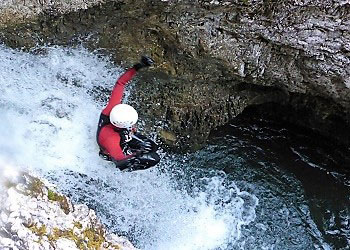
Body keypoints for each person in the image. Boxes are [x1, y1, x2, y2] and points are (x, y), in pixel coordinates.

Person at [96, 56, 160, 171]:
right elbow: (121, 162)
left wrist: (138, 66)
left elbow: (121, 83)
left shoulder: (113, 108)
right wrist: (138, 154)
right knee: (154, 158)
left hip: (121, 135)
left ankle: (135, 148)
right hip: (113, 153)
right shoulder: (110, 138)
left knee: (153, 146)